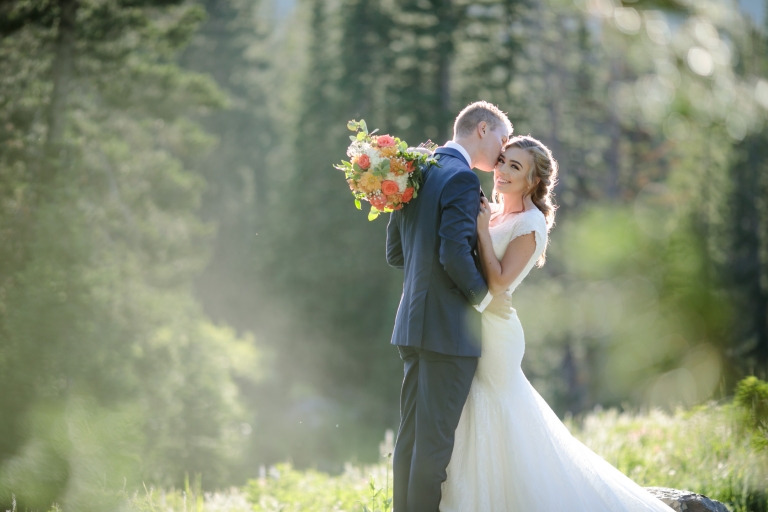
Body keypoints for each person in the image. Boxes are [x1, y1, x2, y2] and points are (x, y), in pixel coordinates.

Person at [439, 135, 671, 511]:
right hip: (473, 323)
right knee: (472, 417)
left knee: (495, 417)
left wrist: (481, 231)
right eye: (502, 161)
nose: (502, 171)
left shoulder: (530, 224)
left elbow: (499, 284)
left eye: (516, 167)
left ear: (534, 181)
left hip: (496, 334)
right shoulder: (493, 211)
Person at [386, 101, 513, 512]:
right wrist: (486, 299)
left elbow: (395, 252)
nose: (504, 148)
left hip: (412, 324)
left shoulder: (417, 171)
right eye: (501, 137)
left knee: (409, 441)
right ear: (481, 129)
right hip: (448, 331)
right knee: (435, 449)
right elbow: (454, 255)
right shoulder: (461, 179)